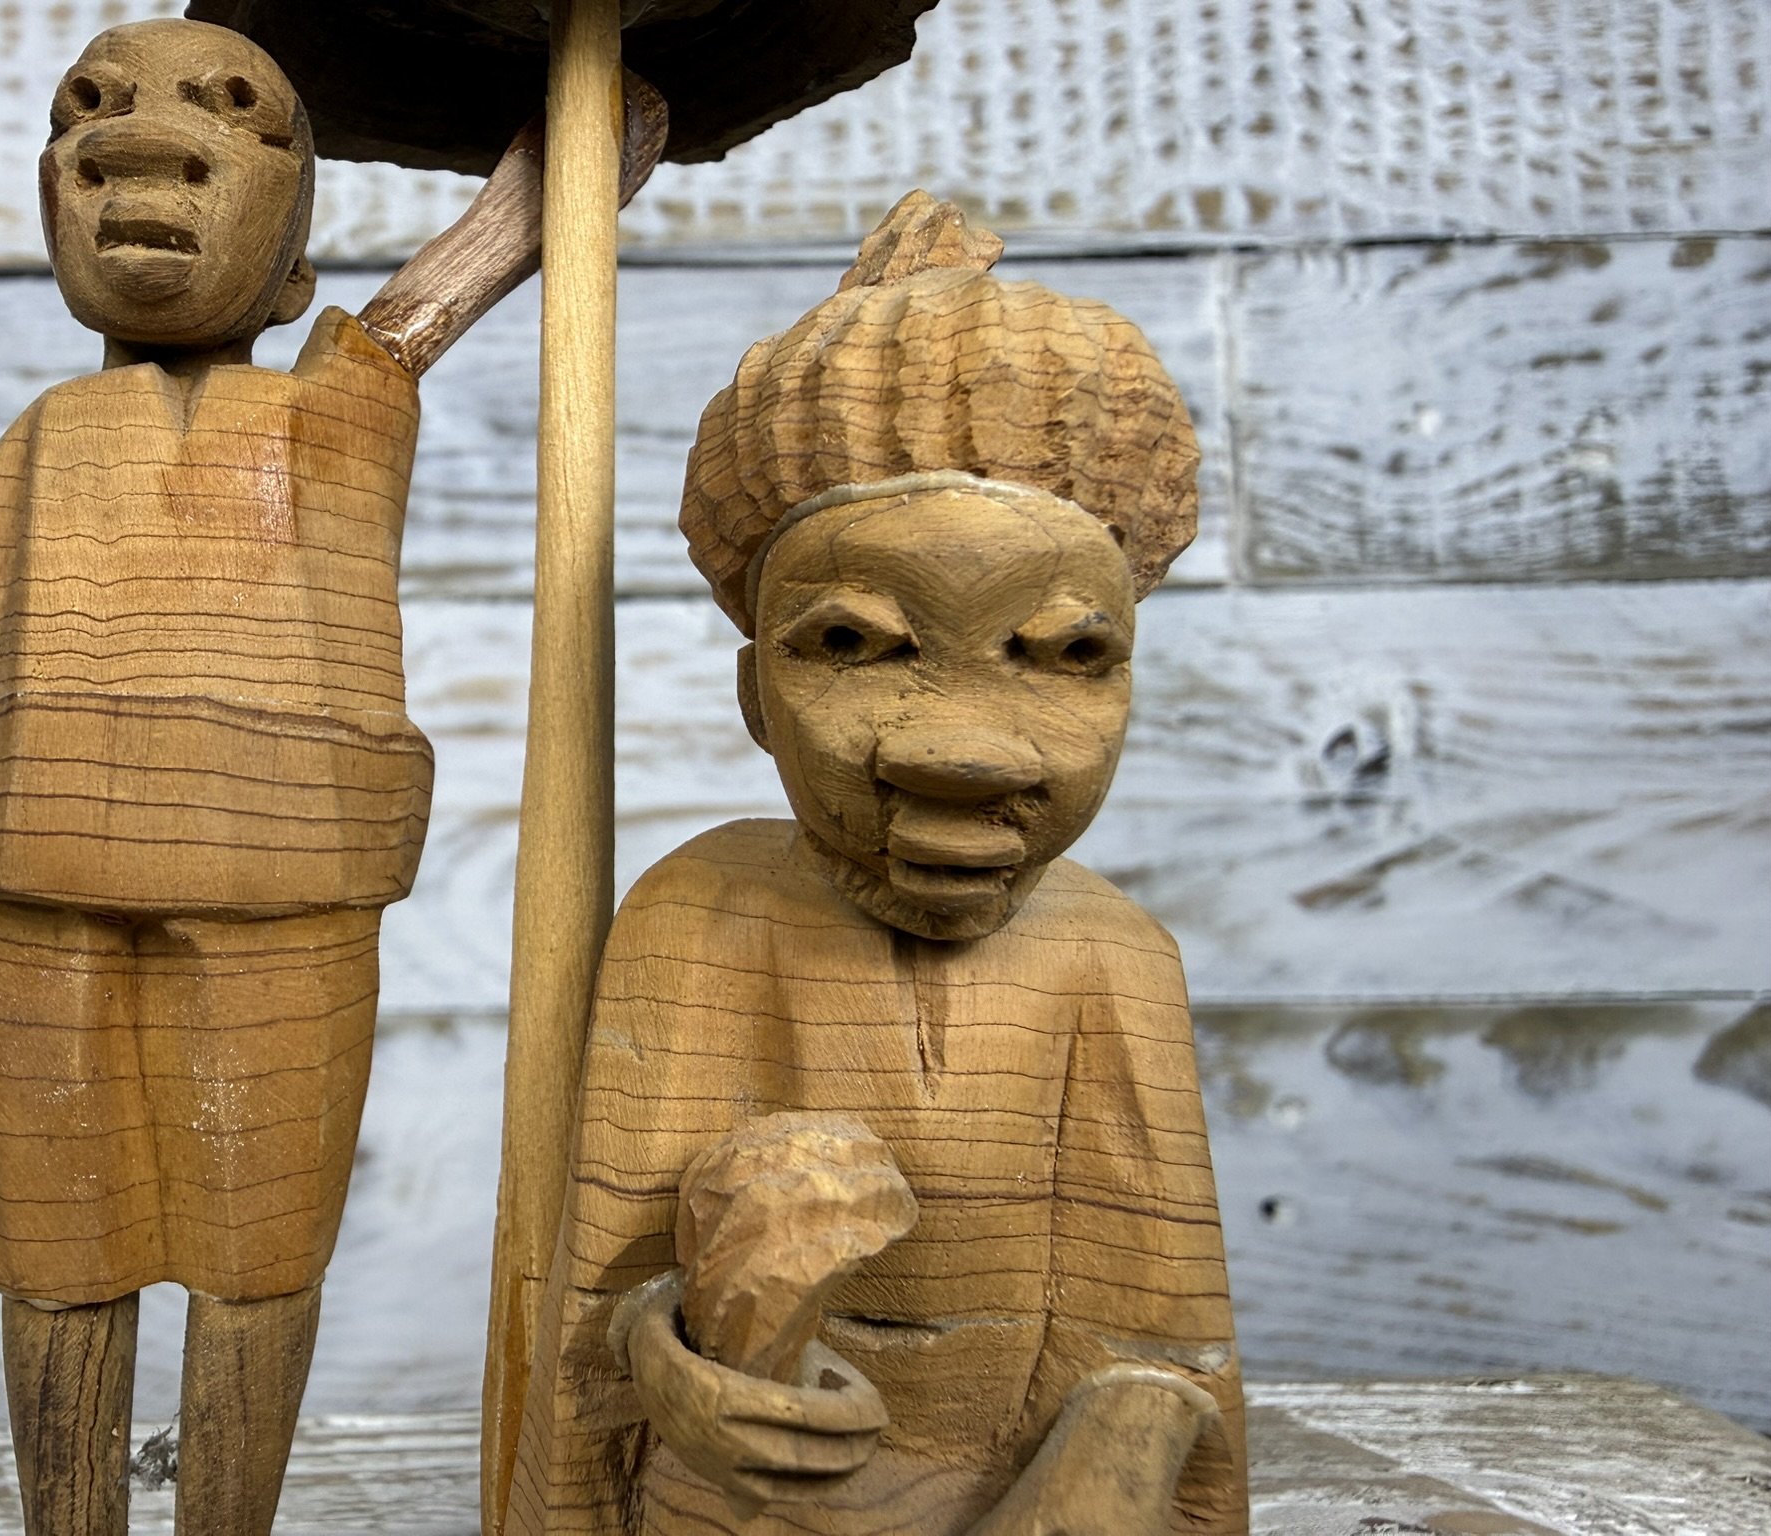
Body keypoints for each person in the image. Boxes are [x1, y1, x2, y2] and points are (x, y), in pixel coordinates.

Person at [0, 19, 659, 1534]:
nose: (139, 141)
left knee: (258, 1250)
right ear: (48, 214)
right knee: (51, 1245)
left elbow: (464, 267)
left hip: (289, 876)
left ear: (292, 263)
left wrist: (586, 139)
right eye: (91, 115)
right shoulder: (45, 433)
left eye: (235, 116)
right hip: (39, 866)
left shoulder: (339, 409)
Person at [502, 193, 1248, 1536]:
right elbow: (600, 1308)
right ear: (750, 695)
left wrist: (1122, 1441)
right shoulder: (700, 912)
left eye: (1067, 654)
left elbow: (1166, 1353)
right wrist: (668, 1366)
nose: (965, 749)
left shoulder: (1114, 956)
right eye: (854, 647)